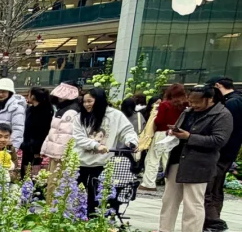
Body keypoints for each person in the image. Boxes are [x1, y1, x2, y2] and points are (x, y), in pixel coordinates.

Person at [159, 84, 234, 232]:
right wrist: (172, 132)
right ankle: (163, 231)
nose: (193, 105)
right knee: (169, 198)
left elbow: (219, 140)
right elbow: (179, 129)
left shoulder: (222, 114)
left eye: (197, 102)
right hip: (177, 158)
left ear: (210, 99)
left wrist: (189, 137)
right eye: (190, 101)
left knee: (193, 201)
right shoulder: (188, 112)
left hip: (199, 163)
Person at [71, 87, 138, 215]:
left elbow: (127, 131)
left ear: (99, 100)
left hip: (102, 164)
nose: (86, 104)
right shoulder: (79, 117)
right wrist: (96, 146)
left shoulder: (115, 115)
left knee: (97, 197)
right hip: (80, 162)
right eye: (84, 102)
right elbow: (78, 138)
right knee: (76, 197)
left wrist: (131, 141)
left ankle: (93, 220)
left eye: (90, 101)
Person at [203, 78, 242, 232]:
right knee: (216, 187)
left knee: (209, 188)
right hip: (229, 151)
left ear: (218, 86)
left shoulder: (231, 103)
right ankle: (213, 224)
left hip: (221, 151)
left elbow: (224, 130)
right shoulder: (237, 100)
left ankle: (214, 222)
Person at [137, 83, 187, 191]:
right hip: (176, 133)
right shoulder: (184, 106)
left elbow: (159, 120)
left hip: (162, 132)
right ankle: (171, 185)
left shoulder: (165, 105)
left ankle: (149, 183)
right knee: (169, 159)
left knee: (153, 158)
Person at [40, 83, 82, 166]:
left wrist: (59, 154)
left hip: (60, 155)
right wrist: (44, 149)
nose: (59, 97)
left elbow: (66, 135)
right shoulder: (62, 109)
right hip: (55, 153)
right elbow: (53, 131)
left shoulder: (71, 111)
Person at [0, 79, 26, 154]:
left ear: (10, 93)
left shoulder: (17, 108)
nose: (0, 94)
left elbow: (18, 130)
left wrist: (12, 149)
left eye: (3, 92)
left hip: (6, 146)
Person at [21, 86, 52, 174]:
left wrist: (34, 147)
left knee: (34, 172)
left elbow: (43, 131)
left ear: (33, 96)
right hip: (27, 145)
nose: (27, 96)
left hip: (36, 147)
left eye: (29, 94)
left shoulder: (45, 112)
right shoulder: (30, 109)